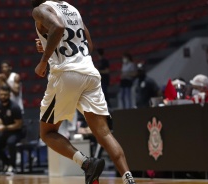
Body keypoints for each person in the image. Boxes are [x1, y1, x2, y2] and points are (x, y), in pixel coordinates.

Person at [31, 1, 136, 183]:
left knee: (47, 133)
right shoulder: (72, 9)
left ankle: (86, 163)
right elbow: (89, 45)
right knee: (104, 134)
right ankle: (129, 179)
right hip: (89, 72)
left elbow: (57, 26)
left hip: (67, 74)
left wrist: (43, 60)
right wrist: (50, 44)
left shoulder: (40, 9)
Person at [0, 86, 23, 175]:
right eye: (1, 94)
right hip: (6, 132)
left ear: (9, 95)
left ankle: (13, 166)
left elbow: (18, 124)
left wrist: (5, 128)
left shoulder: (15, 107)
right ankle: (7, 163)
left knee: (11, 142)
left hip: (17, 132)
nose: (3, 96)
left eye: (5, 95)